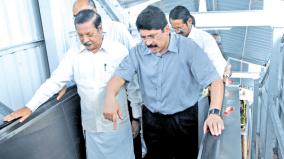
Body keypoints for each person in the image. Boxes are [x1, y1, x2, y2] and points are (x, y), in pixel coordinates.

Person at [4, 10, 137, 159]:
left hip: (117, 126)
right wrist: (30, 106)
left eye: (89, 34)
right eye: (80, 35)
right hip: (92, 128)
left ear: (100, 29)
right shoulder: (73, 54)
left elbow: (133, 88)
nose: (85, 40)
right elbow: (55, 81)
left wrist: (136, 118)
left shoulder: (119, 51)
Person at [103, 5, 224, 159]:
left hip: (184, 118)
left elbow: (214, 80)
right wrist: (109, 96)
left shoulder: (188, 48)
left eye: (152, 36)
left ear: (167, 29)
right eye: (143, 37)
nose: (147, 42)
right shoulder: (138, 52)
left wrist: (214, 112)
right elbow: (119, 76)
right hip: (152, 118)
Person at [169, 5, 227, 78]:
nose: (177, 32)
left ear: (189, 21)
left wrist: (212, 86)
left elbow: (217, 65)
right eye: (174, 28)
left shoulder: (205, 39)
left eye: (179, 28)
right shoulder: (172, 40)